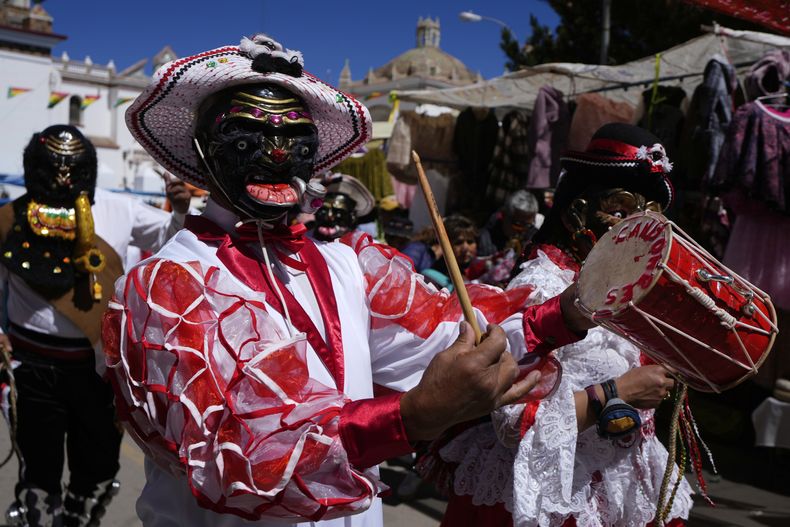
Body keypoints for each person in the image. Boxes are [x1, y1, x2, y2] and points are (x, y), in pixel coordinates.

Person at [103, 34, 593, 527]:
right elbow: (248, 455)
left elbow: (452, 336)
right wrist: (412, 416)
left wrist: (570, 309)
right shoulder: (167, 286)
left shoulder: (347, 264)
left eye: (296, 137)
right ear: (202, 150)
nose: (277, 153)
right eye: (249, 133)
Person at [434, 124, 693, 526]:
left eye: (648, 217)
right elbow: (512, 420)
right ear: (576, 214)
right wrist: (619, 393)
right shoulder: (542, 287)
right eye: (622, 212)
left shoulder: (634, 292)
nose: (636, 230)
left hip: (622, 491)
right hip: (553, 499)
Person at [0, 125, 191, 527]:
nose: (64, 176)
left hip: (100, 370)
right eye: (54, 166)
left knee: (97, 471)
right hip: (31, 369)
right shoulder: (10, 217)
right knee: (38, 474)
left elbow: (170, 242)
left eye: (74, 167)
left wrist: (179, 210)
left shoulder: (119, 207)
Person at [311, 173, 375, 242]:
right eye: (323, 210)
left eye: (338, 211)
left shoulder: (364, 249)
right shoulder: (301, 243)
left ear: (352, 217)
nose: (329, 216)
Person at [477, 190, 541, 258]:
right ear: (504, 215)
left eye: (528, 225)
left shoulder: (534, 237)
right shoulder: (483, 240)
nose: (522, 230)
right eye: (518, 224)